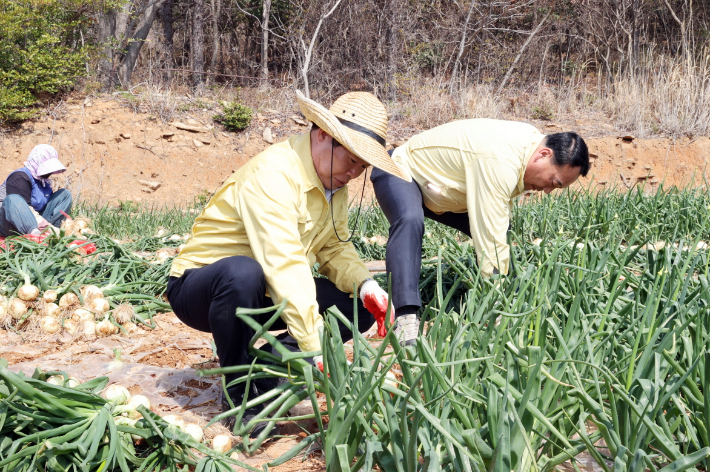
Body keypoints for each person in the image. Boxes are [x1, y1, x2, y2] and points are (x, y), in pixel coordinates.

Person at [167, 91, 408, 437]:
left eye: (362, 166)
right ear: (324, 134)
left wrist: (366, 285)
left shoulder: (333, 186)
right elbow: (285, 263)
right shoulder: (274, 174)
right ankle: (240, 396)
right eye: (351, 160)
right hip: (201, 289)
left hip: (263, 290)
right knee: (242, 273)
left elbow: (334, 248)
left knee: (353, 307)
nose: (355, 173)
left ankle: (261, 380)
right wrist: (313, 346)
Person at [371, 119, 590, 345]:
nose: (547, 190)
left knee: (503, 232)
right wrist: (496, 304)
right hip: (399, 169)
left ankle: (510, 297)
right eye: (553, 182)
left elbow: (497, 225)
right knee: (409, 218)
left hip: (440, 189)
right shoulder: (501, 160)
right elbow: (490, 237)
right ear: (543, 154)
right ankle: (405, 318)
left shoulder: (529, 145)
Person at [0, 144, 72, 238]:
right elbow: (23, 208)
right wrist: (44, 226)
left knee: (64, 195)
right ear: (36, 163)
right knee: (13, 198)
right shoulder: (19, 177)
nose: (49, 173)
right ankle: (35, 235)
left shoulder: (43, 181)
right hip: (9, 223)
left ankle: (54, 230)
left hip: (35, 221)